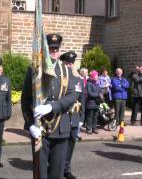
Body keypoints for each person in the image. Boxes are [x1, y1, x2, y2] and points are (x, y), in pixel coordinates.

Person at [21, 33, 76, 179]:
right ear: (45, 49)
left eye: (56, 49)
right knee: (39, 173)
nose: (54, 52)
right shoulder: (34, 69)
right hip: (40, 128)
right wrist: (29, 124)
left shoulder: (66, 71)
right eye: (51, 49)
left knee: (56, 173)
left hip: (60, 127)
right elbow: (25, 99)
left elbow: (72, 96)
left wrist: (53, 107)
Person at [60, 52, 84, 179]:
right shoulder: (59, 78)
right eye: (67, 63)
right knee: (60, 144)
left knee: (71, 143)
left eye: (71, 63)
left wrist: (82, 118)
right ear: (62, 63)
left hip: (74, 116)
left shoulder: (78, 79)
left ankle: (66, 168)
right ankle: (56, 166)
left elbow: (83, 99)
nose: (69, 65)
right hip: (62, 116)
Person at [85, 70, 102, 134]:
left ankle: (94, 128)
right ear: (93, 76)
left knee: (95, 116)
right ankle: (89, 128)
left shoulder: (97, 83)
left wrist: (101, 92)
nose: (97, 76)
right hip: (90, 102)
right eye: (96, 75)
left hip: (96, 102)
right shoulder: (89, 83)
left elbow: (100, 90)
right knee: (90, 116)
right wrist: (98, 95)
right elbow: (89, 93)